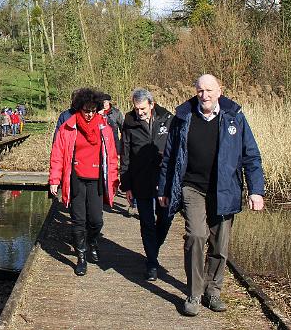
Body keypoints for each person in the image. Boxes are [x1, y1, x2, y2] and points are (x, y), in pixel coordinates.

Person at [158, 74, 265, 317]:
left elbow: (251, 156)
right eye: (200, 91)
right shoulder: (183, 118)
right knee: (196, 235)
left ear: (220, 91)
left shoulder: (234, 118)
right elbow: (169, 157)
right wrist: (164, 190)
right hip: (192, 187)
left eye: (209, 90)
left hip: (224, 189)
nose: (204, 95)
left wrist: (256, 190)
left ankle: (212, 291)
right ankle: (194, 293)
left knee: (219, 243)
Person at [49, 88, 119, 276]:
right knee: (78, 220)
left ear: (97, 109)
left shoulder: (105, 129)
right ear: (79, 108)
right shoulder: (68, 127)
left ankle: (93, 241)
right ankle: (81, 257)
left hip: (96, 180)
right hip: (76, 179)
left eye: (92, 110)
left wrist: (114, 180)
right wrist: (54, 179)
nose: (89, 114)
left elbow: (112, 157)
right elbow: (58, 155)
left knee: (96, 220)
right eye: (85, 110)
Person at [120, 88, 174, 281]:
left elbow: (175, 149)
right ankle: (152, 263)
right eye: (136, 109)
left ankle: (153, 249)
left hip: (163, 179)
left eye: (143, 108)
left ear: (152, 104)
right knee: (146, 222)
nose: (139, 112)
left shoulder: (168, 119)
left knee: (165, 219)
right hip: (140, 178)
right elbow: (125, 155)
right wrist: (127, 185)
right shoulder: (129, 123)